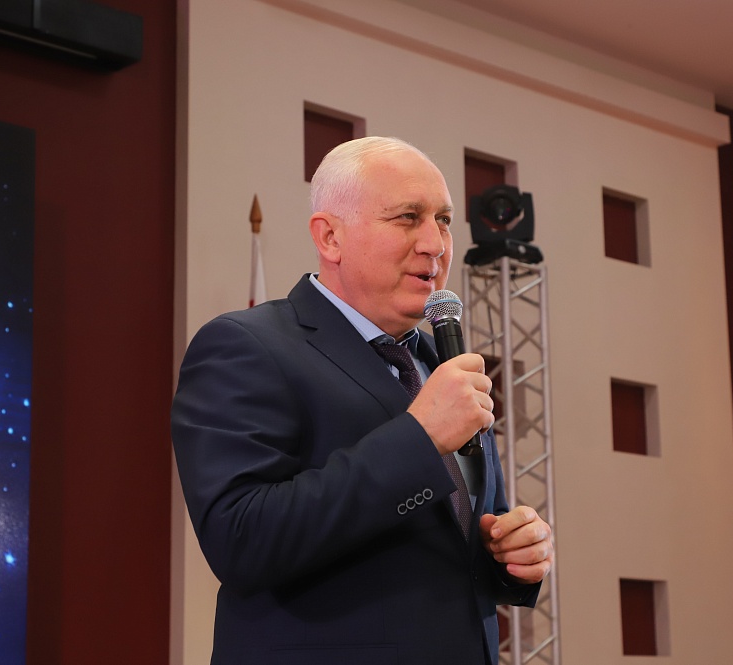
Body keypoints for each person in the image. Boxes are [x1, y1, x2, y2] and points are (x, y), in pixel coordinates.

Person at [171, 136, 554, 665]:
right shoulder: (246, 345)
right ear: (330, 237)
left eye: (443, 220)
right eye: (408, 217)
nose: (436, 244)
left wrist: (511, 554)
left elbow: (451, 543)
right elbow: (241, 541)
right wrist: (421, 439)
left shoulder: (441, 365)